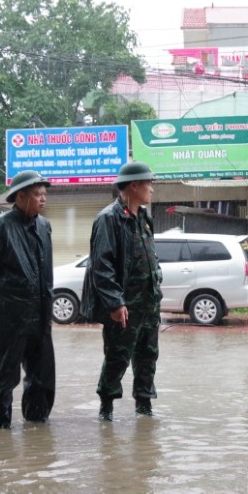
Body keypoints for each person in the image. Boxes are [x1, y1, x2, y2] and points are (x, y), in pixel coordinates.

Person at [0, 170, 55, 429]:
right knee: (5, 376)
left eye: (44, 195)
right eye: (37, 195)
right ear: (20, 196)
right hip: (10, 316)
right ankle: (2, 427)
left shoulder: (44, 226)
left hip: (41, 314)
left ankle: (36, 426)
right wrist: (6, 295)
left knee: (42, 377)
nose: (43, 199)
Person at [81, 161, 163, 421]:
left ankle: (144, 404)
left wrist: (157, 282)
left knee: (148, 355)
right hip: (125, 305)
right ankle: (106, 408)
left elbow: (150, 256)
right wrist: (115, 303)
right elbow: (101, 266)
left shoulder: (144, 217)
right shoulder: (108, 218)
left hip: (149, 302)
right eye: (148, 184)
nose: (152, 189)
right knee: (118, 356)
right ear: (134, 185)